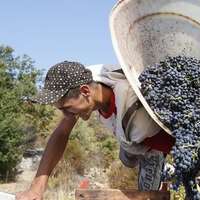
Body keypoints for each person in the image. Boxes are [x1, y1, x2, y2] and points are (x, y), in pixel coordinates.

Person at [15, 61, 175, 200]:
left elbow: (179, 145)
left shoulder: (134, 114)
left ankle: (158, 163)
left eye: (67, 108)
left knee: (142, 167)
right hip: (132, 137)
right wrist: (37, 186)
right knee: (127, 157)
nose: (66, 115)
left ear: (85, 91)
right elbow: (61, 132)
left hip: (153, 142)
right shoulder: (93, 82)